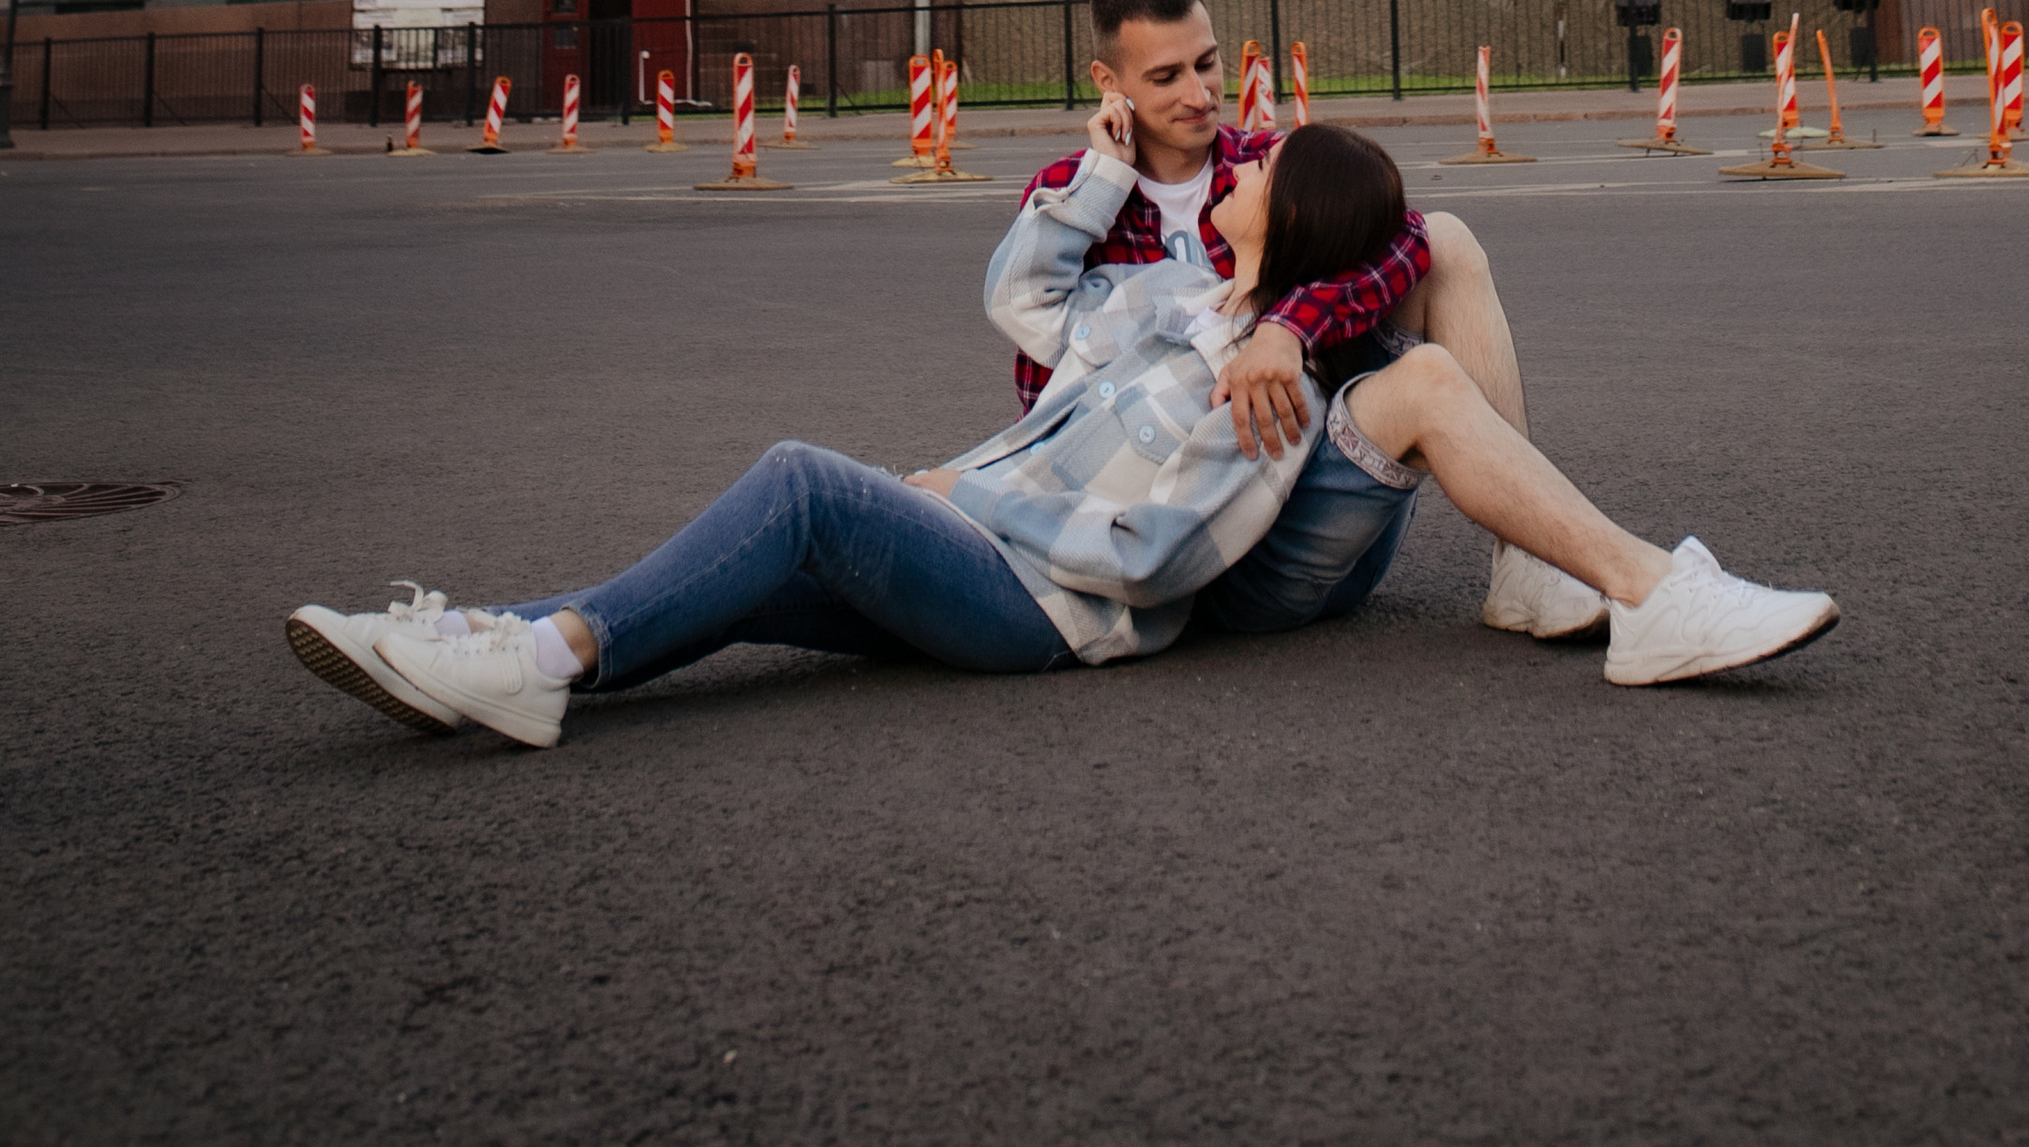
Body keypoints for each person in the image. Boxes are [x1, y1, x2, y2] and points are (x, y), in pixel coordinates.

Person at [287, 116, 1838, 747]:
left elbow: (1147, 552)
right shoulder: (1171, 307)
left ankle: (1651, 593)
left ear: (1291, 215)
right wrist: (951, 482)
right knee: (748, 572)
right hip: (999, 547)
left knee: (799, 484)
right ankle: (508, 645)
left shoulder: (1271, 385)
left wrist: (951, 508)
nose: (1235, 155)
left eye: (1262, 163)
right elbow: (1033, 334)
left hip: (1052, 608)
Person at [1017, 0, 1597, 646]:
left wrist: (1286, 329)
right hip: (1176, 534)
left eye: (1207, 64)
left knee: (1445, 240)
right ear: (1109, 85)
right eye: (1166, 77)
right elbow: (1045, 376)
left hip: (1317, 498)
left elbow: (1404, 239)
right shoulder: (1072, 197)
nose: (1200, 94)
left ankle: (1528, 563)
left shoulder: (1264, 163)